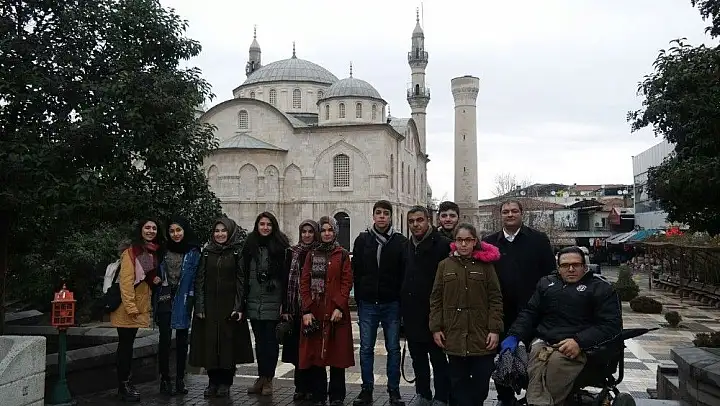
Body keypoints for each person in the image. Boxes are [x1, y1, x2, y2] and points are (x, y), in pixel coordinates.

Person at [501, 246, 623, 406]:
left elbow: (611, 324)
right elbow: (530, 312)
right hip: (544, 341)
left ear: (584, 266)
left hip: (583, 346)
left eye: (576, 265)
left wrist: (579, 342)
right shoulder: (546, 284)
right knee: (535, 362)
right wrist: (514, 335)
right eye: (565, 265)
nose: (571, 269)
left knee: (555, 364)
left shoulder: (601, 288)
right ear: (558, 268)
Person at [483, 199, 556, 406]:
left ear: (521, 213)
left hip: (532, 311)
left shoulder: (538, 240)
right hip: (501, 311)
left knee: (534, 356)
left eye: (514, 211)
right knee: (502, 355)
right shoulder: (489, 243)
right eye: (505, 211)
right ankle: (505, 398)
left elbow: (550, 274)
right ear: (500, 215)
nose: (510, 214)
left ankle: (532, 397)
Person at [429, 223, 504, 406]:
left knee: (481, 382)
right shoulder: (444, 266)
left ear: (474, 241)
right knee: (458, 383)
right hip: (454, 334)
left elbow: (495, 299)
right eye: (460, 240)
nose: (463, 244)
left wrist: (494, 329)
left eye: (468, 240)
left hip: (481, 335)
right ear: (454, 242)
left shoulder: (486, 267)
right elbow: (436, 299)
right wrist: (436, 328)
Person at [189, 218, 254, 398]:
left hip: (229, 306)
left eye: (223, 230)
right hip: (209, 307)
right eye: (217, 231)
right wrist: (200, 306)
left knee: (228, 345)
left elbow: (241, 280)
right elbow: (200, 280)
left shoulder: (236, 252)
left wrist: (238, 306)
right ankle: (213, 382)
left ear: (230, 232)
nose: (220, 234)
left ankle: (226, 382)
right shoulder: (207, 252)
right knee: (210, 345)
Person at [352, 200, 408, 406]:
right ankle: (366, 389)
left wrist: (400, 301)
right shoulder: (363, 240)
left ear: (390, 216)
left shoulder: (400, 242)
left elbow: (403, 273)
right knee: (366, 348)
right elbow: (357, 270)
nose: (382, 216)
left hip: (391, 303)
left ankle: (394, 391)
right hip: (368, 303)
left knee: (393, 348)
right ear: (373, 216)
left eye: (386, 213)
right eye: (378, 213)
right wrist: (360, 297)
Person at [299, 216, 355, 406]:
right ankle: (319, 395)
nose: (327, 233)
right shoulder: (312, 254)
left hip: (335, 312)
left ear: (335, 232)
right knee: (317, 357)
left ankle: (337, 396)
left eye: (330, 230)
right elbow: (304, 282)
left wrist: (339, 306)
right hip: (316, 311)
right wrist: (307, 309)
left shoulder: (342, 254)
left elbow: (347, 281)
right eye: (323, 230)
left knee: (337, 356)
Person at [401, 206, 452, 406]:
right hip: (412, 314)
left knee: (438, 360)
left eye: (419, 220)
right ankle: (423, 393)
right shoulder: (406, 246)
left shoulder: (443, 245)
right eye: (411, 221)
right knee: (418, 359)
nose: (416, 224)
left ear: (428, 220)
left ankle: (441, 396)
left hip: (435, 315)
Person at [111, 217, 163, 402]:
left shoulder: (147, 251)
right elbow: (125, 283)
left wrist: (154, 280)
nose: (150, 231)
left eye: (154, 228)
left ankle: (126, 383)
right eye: (147, 227)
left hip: (137, 307)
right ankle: (123, 386)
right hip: (127, 308)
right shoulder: (131, 252)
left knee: (128, 345)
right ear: (140, 230)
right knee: (125, 347)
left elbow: (147, 277)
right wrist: (131, 307)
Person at [243, 212, 291, 396]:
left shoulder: (282, 247)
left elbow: (286, 279)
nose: (265, 227)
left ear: (274, 226)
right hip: (254, 301)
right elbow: (243, 274)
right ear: (257, 226)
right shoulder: (250, 245)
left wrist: (284, 304)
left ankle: (268, 379)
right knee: (259, 342)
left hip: (273, 301)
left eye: (268, 224)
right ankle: (261, 378)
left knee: (271, 343)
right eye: (262, 224)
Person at [153, 216, 201, 395]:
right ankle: (165, 379)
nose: (175, 234)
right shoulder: (162, 249)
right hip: (165, 296)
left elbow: (197, 277)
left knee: (182, 339)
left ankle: (180, 378)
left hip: (184, 297)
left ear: (184, 231)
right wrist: (154, 279)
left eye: (178, 230)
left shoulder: (193, 251)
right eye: (172, 231)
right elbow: (152, 270)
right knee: (164, 338)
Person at [280, 219, 320, 402]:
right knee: (298, 352)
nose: (307, 235)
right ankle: (300, 387)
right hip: (295, 309)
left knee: (312, 351)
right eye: (304, 231)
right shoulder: (292, 252)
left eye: (310, 231)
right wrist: (285, 307)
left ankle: (312, 387)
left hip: (313, 309)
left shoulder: (319, 252)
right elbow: (285, 280)